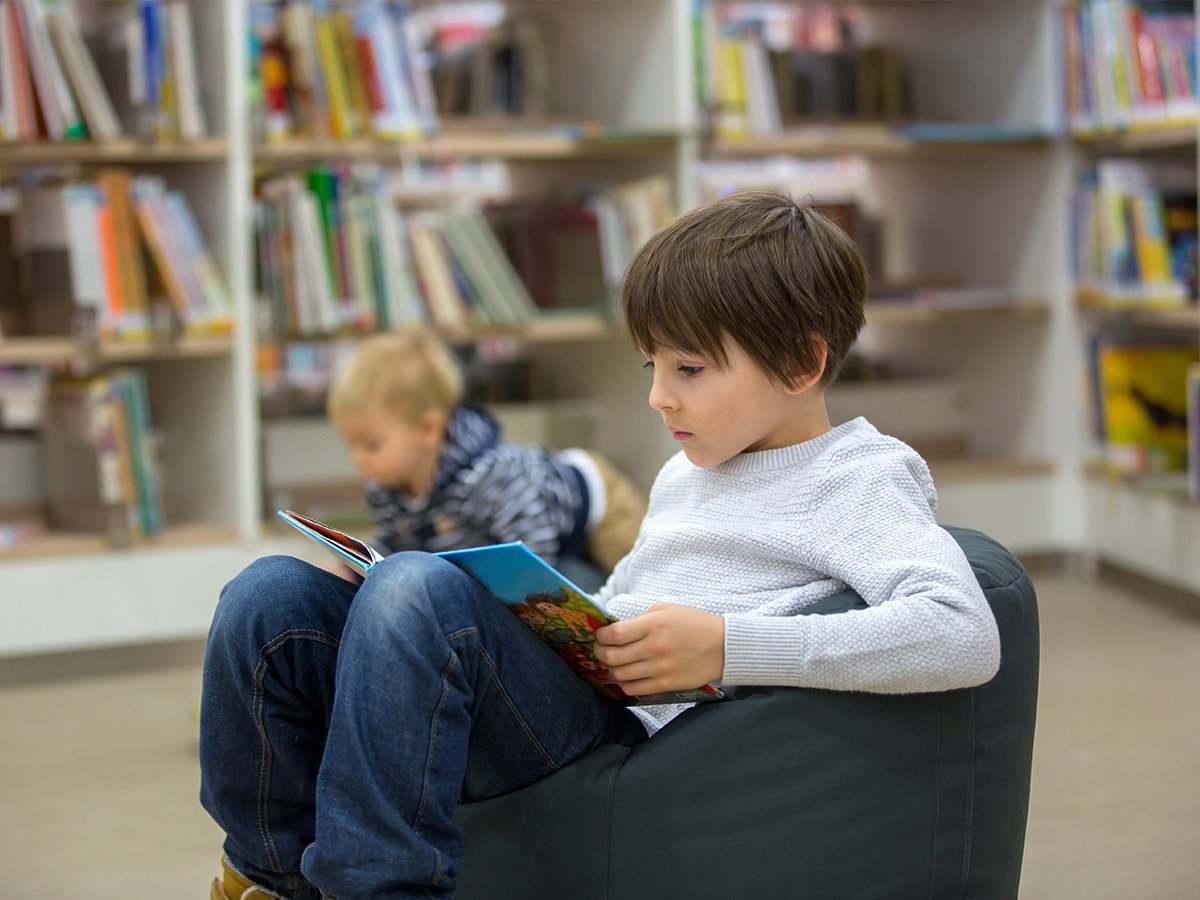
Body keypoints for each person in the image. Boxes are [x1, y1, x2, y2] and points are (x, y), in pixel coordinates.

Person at [201, 190, 1000, 899]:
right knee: (269, 598)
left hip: (644, 743)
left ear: (800, 363)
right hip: (587, 694)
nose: (658, 396)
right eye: (653, 365)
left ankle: (374, 888)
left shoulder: (858, 476)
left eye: (689, 369)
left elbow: (963, 633)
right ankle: (268, 881)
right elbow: (631, 592)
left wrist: (729, 648)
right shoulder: (694, 470)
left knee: (415, 589)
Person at [324, 330, 646, 581]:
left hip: (595, 501)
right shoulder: (384, 490)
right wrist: (352, 567)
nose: (357, 460)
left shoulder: (488, 476)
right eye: (349, 446)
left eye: (370, 446)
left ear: (428, 430)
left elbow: (534, 550)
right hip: (539, 520)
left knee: (639, 575)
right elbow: (397, 545)